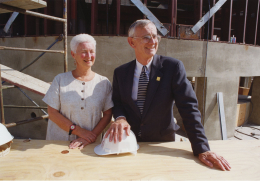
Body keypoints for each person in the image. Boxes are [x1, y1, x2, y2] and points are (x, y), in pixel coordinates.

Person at [105, 19, 231, 171]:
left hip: (163, 143)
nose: (153, 41)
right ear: (132, 42)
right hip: (130, 142)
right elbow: (118, 102)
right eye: (146, 37)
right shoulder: (121, 72)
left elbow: (188, 108)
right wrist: (120, 118)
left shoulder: (172, 67)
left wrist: (202, 148)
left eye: (155, 36)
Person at [43, 34, 113, 149]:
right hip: (59, 145)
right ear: (73, 54)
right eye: (84, 51)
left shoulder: (103, 83)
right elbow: (52, 113)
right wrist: (80, 131)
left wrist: (91, 136)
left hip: (90, 145)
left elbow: (107, 114)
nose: (89, 56)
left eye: (92, 51)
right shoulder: (60, 80)